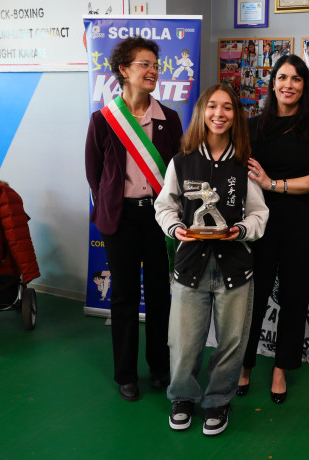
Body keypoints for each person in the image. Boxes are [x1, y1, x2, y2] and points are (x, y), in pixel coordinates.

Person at [154, 84, 269, 435]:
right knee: (183, 341)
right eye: (213, 106)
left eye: (228, 108)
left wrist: (241, 230)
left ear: (236, 116)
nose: (219, 114)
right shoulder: (181, 161)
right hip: (191, 265)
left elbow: (259, 213)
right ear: (202, 112)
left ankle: (219, 400)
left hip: (235, 266)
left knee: (232, 342)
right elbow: (165, 206)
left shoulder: (244, 163)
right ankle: (182, 397)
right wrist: (176, 228)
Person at [85, 37, 183, 402]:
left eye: (156, 65)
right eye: (145, 64)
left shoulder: (169, 119)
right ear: (123, 70)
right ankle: (125, 374)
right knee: (124, 296)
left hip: (159, 218)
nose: (153, 70)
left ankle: (159, 366)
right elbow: (94, 172)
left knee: (159, 294)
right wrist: (111, 205)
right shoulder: (103, 120)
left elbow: (177, 171)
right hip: (121, 219)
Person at [238, 55, 309, 405]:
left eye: (296, 78)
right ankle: (244, 364)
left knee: (294, 298)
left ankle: (281, 368)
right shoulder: (251, 126)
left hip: (301, 222)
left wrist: (272, 184)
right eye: (282, 77)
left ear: (304, 85)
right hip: (258, 222)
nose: (288, 84)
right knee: (252, 297)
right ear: (272, 83)